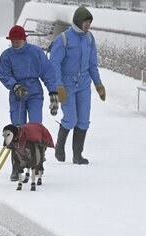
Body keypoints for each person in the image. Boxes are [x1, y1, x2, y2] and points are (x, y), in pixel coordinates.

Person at [0, 25, 63, 181]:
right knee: (17, 129)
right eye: (13, 41)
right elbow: (3, 74)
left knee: (35, 128)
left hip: (34, 91)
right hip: (17, 94)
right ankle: (16, 167)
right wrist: (15, 85)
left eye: (18, 40)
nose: (16, 43)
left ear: (24, 39)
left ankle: (37, 163)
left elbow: (47, 71)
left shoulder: (36, 52)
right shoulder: (6, 56)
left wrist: (53, 92)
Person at [49, 6, 106, 165]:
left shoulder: (89, 38)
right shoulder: (64, 39)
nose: (87, 25)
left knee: (84, 120)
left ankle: (77, 155)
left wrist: (98, 84)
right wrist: (58, 86)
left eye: (89, 22)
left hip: (84, 83)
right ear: (77, 21)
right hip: (67, 84)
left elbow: (93, 64)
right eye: (85, 21)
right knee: (71, 118)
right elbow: (55, 64)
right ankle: (59, 147)